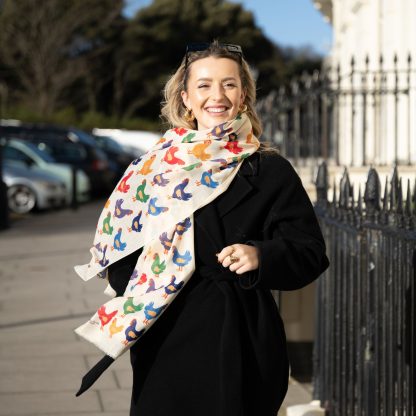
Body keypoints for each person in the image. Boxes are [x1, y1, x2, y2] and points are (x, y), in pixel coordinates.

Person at [74, 40, 329, 416]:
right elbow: (118, 245)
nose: (217, 95)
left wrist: (261, 255)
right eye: (205, 85)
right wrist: (149, 284)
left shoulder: (270, 169)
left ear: (243, 96)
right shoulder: (151, 169)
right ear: (186, 98)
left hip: (239, 336)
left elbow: (310, 252)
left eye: (229, 84)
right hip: (165, 333)